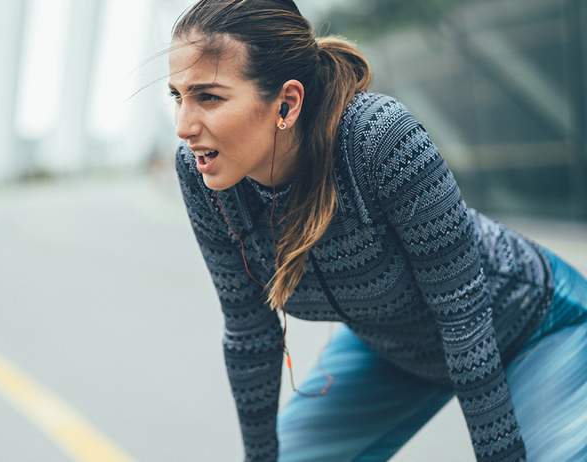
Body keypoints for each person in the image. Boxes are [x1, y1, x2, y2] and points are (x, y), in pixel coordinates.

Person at [168, 1, 587, 461]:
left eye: (208, 97)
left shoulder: (379, 140)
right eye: (178, 96)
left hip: (532, 324)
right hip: (392, 348)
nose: (185, 126)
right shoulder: (203, 177)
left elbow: (463, 315)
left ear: (286, 103)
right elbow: (251, 333)